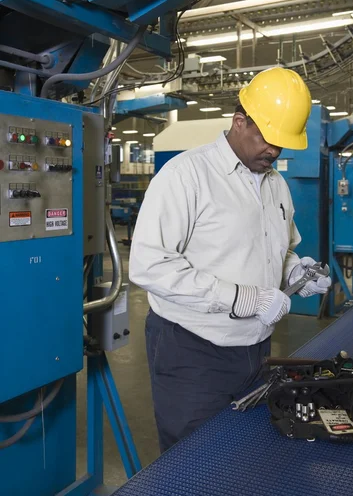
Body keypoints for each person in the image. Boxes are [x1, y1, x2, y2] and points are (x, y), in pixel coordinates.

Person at [129, 67, 331, 452]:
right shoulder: (186, 176)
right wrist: (245, 298)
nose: (274, 151)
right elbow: (149, 265)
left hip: (255, 351)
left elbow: (279, 248)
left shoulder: (276, 183)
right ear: (240, 122)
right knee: (192, 462)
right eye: (268, 139)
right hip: (192, 350)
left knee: (242, 455)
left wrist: (297, 270)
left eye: (282, 144)